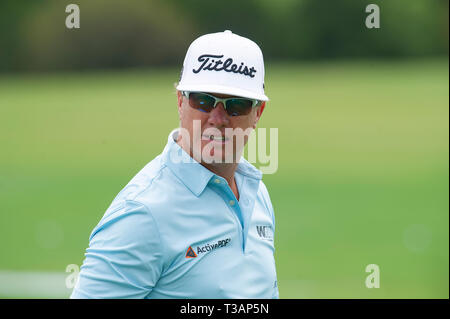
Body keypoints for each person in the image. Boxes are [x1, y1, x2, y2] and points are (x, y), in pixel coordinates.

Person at [71, 30, 279, 299]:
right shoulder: (143, 213)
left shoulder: (255, 191)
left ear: (257, 113)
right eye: (203, 101)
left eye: (236, 105)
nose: (218, 118)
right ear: (181, 102)